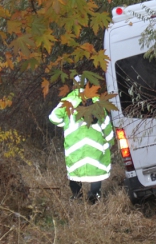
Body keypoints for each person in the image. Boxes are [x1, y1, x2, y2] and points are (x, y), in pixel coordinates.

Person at [49, 75, 114, 203]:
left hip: (75, 144)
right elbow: (106, 124)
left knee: (75, 170)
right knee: (96, 170)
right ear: (87, 85)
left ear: (74, 86)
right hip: (95, 144)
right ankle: (94, 195)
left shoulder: (67, 101)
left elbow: (53, 117)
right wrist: (110, 140)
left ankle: (77, 196)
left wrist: (66, 125)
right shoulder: (96, 102)